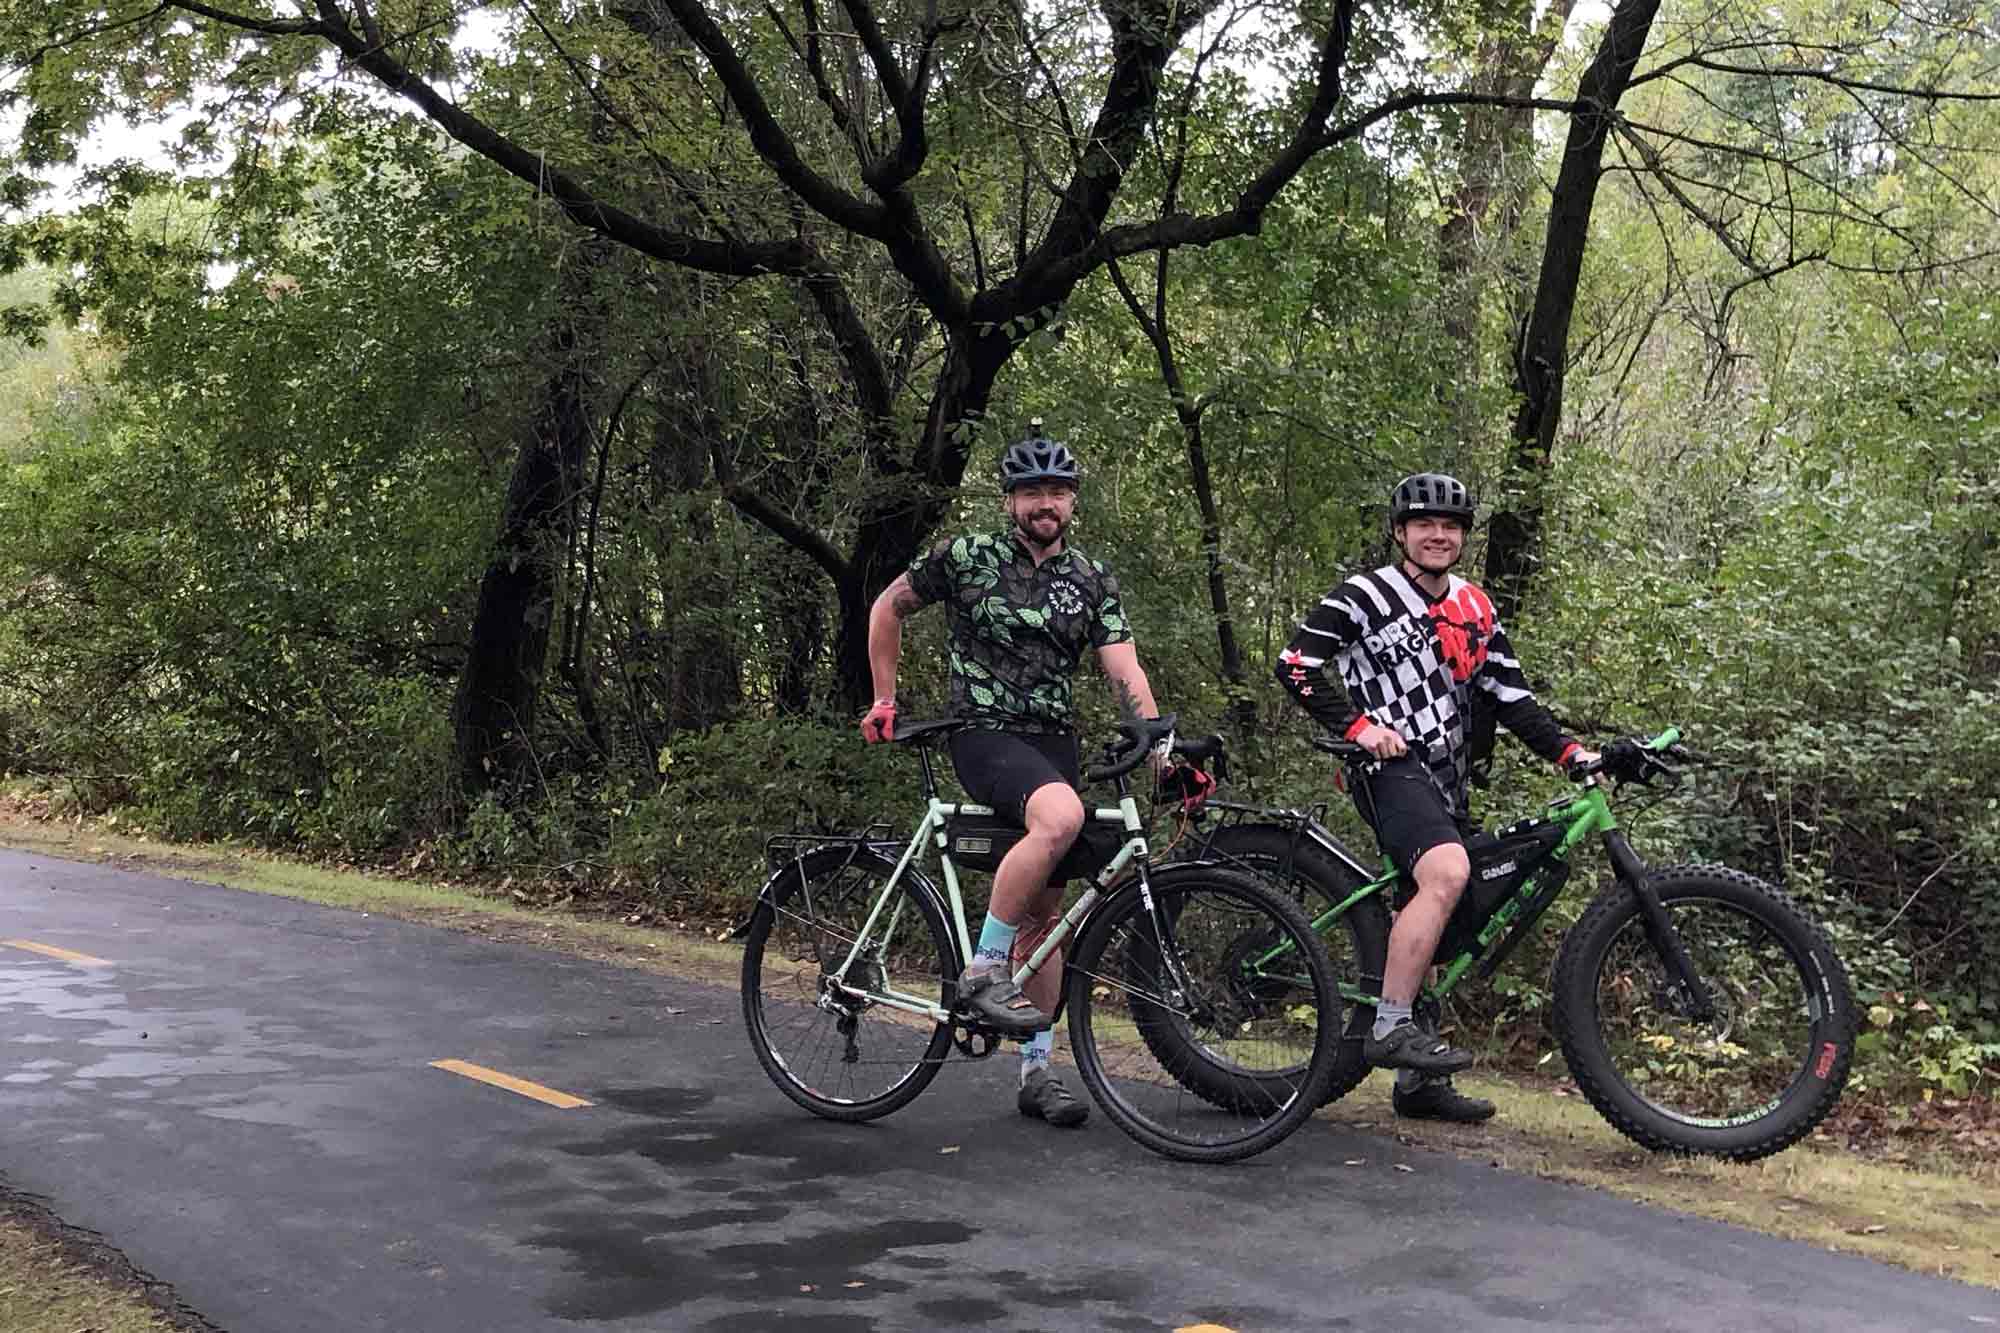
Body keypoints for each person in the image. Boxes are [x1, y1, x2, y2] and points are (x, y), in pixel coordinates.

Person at [859, 427, 1211, 1129]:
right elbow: (886, 608)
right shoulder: (966, 556)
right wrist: (884, 695)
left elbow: (1124, 669)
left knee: (1048, 921)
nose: (1044, 503)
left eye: (1055, 491)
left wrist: (1159, 750)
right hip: (984, 733)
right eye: (1031, 492)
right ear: (1010, 499)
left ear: (1072, 501)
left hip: (1054, 743)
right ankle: (984, 968)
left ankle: (1037, 1073)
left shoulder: (1091, 578)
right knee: (1061, 818)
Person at [1273, 472, 1596, 1123]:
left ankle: (1417, 1084)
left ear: (1463, 537)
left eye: (1450, 526)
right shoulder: (1365, 594)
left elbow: (1512, 697)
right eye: (1424, 523)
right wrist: (1360, 727)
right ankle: (1390, 1025)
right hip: (1386, 771)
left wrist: (1570, 752)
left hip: (1447, 780)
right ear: (1400, 531)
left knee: (1442, 909)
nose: (1438, 534)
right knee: (1447, 871)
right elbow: (1295, 664)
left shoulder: (1476, 606)